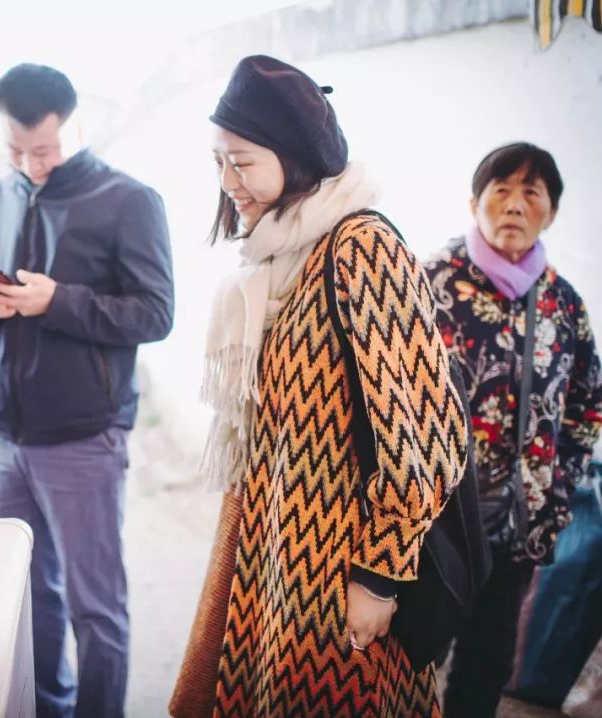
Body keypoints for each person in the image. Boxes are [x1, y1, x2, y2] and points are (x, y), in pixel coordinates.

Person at [169, 55, 469, 717]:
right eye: (218, 160)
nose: (227, 181)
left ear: (294, 152)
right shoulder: (282, 255)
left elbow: (420, 429)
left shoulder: (362, 247)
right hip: (279, 559)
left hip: (344, 572)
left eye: (241, 161)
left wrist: (380, 576)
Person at [0, 63, 174, 717]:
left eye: (44, 149)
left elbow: (155, 314)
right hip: (7, 431)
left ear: (73, 126)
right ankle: (50, 707)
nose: (32, 165)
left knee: (94, 603)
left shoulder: (130, 200)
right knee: (28, 595)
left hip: (84, 433)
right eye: (17, 150)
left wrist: (58, 302)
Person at [424, 142, 602, 718]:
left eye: (532, 192)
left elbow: (587, 404)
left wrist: (555, 492)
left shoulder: (563, 305)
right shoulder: (431, 281)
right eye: (501, 189)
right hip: (435, 519)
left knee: (487, 665)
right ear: (474, 202)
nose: (515, 204)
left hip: (518, 524)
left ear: (550, 210)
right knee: (411, 656)